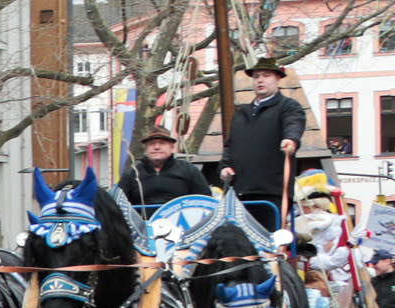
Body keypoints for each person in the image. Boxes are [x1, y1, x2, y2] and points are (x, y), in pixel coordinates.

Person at [219, 59, 308, 233]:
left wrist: (291, 140)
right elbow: (230, 147)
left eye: (266, 76)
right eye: (256, 76)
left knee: (268, 244)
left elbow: (294, 125)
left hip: (271, 193)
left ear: (278, 79)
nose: (260, 80)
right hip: (240, 193)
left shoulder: (288, 107)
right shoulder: (241, 114)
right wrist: (224, 167)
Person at [117, 128, 211, 211]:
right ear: (146, 148)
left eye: (162, 143)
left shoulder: (189, 170)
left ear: (171, 147)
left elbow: (205, 201)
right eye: (152, 144)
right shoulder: (132, 174)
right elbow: (117, 204)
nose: (157, 147)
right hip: (142, 226)